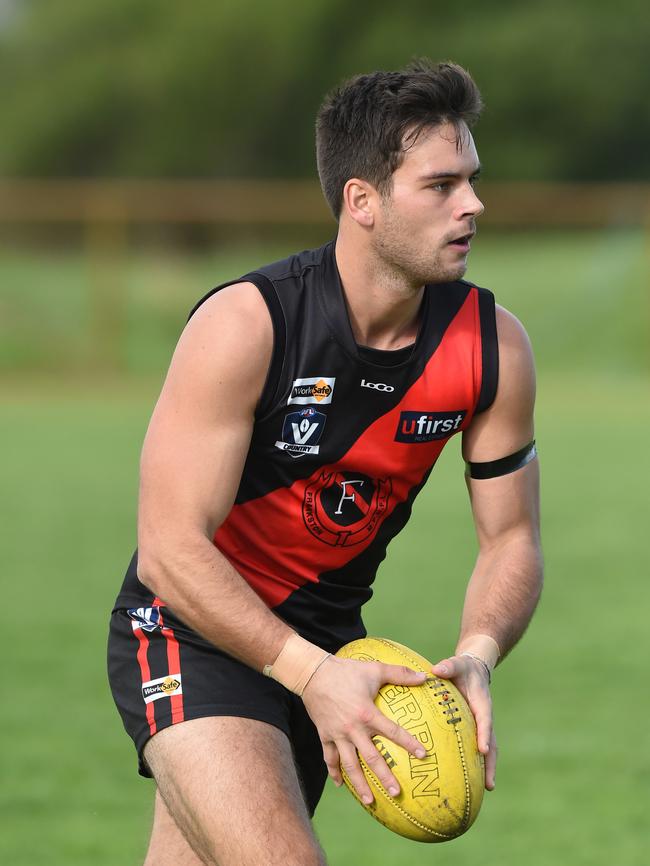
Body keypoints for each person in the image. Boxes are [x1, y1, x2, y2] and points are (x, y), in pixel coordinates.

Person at [107, 59, 543, 866]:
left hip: (334, 650)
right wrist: (307, 675)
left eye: (472, 180)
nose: (474, 205)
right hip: (192, 632)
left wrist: (479, 653)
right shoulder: (248, 324)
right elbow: (170, 552)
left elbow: (511, 537)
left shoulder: (491, 345)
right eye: (441, 185)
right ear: (362, 202)